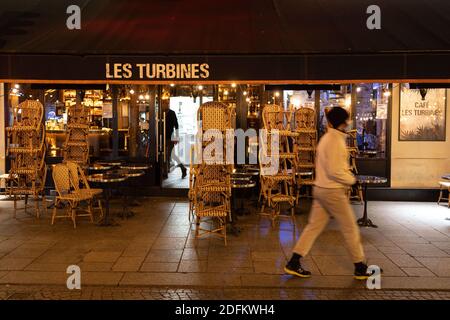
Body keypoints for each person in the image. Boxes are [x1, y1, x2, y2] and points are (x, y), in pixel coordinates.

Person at [284, 107, 373, 280]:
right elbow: (335, 171)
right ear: (343, 121)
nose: (348, 122)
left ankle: (294, 261)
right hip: (332, 191)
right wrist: (351, 180)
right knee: (350, 228)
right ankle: (360, 266)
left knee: (313, 227)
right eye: (347, 119)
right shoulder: (335, 140)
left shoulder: (327, 138)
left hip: (321, 188)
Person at [162, 98, 187, 179]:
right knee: (166, 155)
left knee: (170, 155)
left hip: (170, 137)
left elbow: (176, 125)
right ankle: (181, 168)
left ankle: (166, 172)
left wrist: (176, 137)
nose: (165, 105)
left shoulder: (172, 113)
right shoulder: (160, 113)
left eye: (166, 104)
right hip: (161, 137)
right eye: (164, 104)